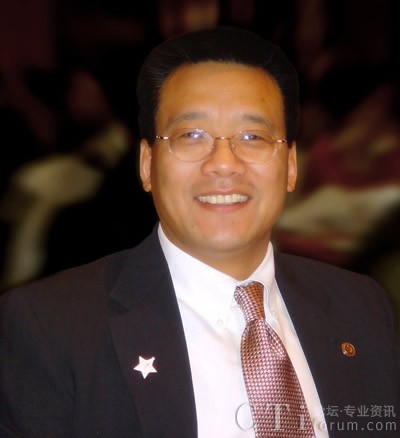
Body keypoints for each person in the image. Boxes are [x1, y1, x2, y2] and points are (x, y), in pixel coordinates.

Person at [0, 26, 399, 438]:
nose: (223, 163)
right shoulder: (48, 328)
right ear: (147, 164)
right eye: (191, 136)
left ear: (291, 166)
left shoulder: (360, 307)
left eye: (253, 136)